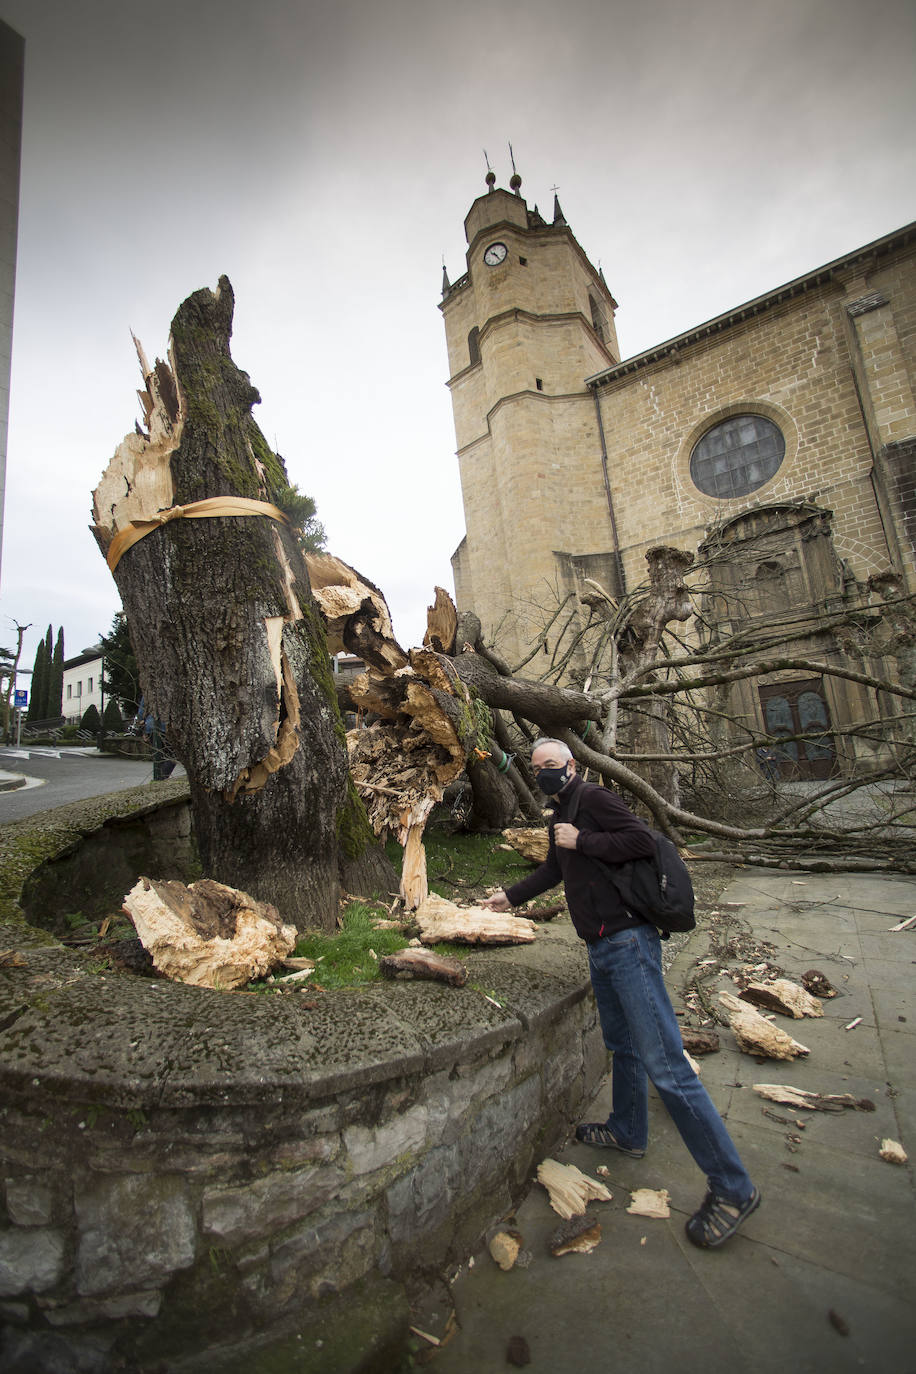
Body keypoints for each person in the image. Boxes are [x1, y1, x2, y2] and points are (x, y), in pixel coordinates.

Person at [482, 737, 760, 1249]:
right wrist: (509, 896)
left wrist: (583, 841)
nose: (544, 772)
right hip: (602, 947)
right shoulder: (560, 813)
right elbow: (553, 870)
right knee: (624, 1045)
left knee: (668, 1067)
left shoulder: (595, 801)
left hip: (630, 942)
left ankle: (733, 1187)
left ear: (572, 765)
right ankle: (628, 1129)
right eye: (537, 766)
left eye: (552, 765)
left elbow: (643, 841)